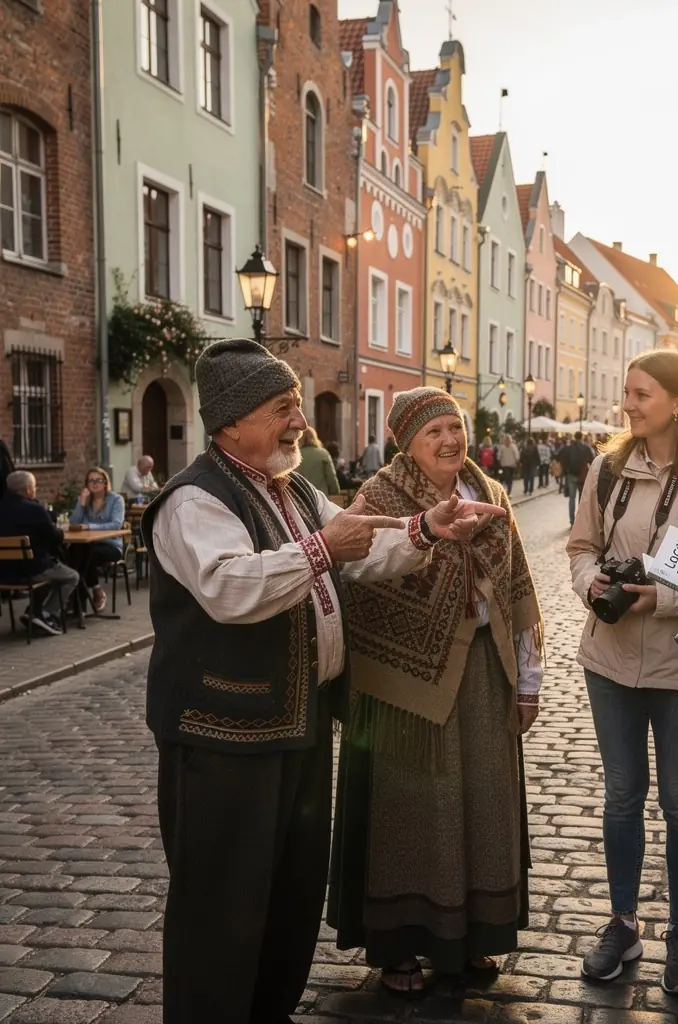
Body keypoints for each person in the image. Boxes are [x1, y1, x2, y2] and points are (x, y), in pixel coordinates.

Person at [142, 340, 502, 1024]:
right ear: (232, 420)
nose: (299, 423)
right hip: (224, 737)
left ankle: (267, 1012)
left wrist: (425, 529)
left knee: (289, 894)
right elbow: (229, 589)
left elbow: (361, 548)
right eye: (283, 408)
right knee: (222, 904)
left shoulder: (293, 488)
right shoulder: (195, 500)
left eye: (297, 406)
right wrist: (319, 551)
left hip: (295, 723)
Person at [327, 387, 539, 996]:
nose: (450, 440)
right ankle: (398, 948)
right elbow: (354, 568)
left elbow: (518, 589)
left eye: (455, 426)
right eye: (434, 432)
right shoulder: (380, 496)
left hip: (483, 672)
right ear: (406, 443)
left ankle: (471, 939)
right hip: (402, 687)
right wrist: (422, 536)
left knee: (483, 805)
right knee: (411, 814)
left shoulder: (489, 492)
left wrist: (527, 681)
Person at [566, 350, 678, 995]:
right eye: (627, 392)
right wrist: (591, 584)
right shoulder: (608, 470)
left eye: (642, 394)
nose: (628, 404)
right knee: (622, 796)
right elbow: (580, 547)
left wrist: (663, 598)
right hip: (608, 662)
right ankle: (623, 922)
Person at [0, 470, 78, 636]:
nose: (35, 490)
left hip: (4, 574)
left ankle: (33, 611)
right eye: (34, 487)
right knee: (71, 576)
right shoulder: (34, 509)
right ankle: (47, 613)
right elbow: (55, 537)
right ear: (28, 489)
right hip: (31, 571)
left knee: (51, 573)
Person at [68, 467, 125, 613]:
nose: (95, 484)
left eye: (98, 480)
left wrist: (89, 526)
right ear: (86, 483)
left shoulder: (116, 500)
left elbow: (116, 524)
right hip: (88, 544)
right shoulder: (85, 499)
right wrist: (81, 504)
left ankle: (79, 601)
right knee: (73, 551)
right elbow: (74, 523)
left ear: (105, 482)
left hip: (111, 544)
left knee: (82, 557)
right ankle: (84, 598)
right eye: (91, 481)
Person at [296, 427, 341, 496]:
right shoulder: (323, 454)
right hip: (321, 496)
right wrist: (335, 490)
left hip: (302, 496)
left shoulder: (296, 455)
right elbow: (331, 477)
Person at [561, 432, 594, 526]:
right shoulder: (586, 447)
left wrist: (566, 472)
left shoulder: (569, 447)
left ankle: (572, 521)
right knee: (582, 498)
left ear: (574, 437)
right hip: (582, 476)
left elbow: (564, 460)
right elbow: (592, 460)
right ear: (582, 437)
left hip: (571, 475)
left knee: (572, 498)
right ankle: (580, 521)